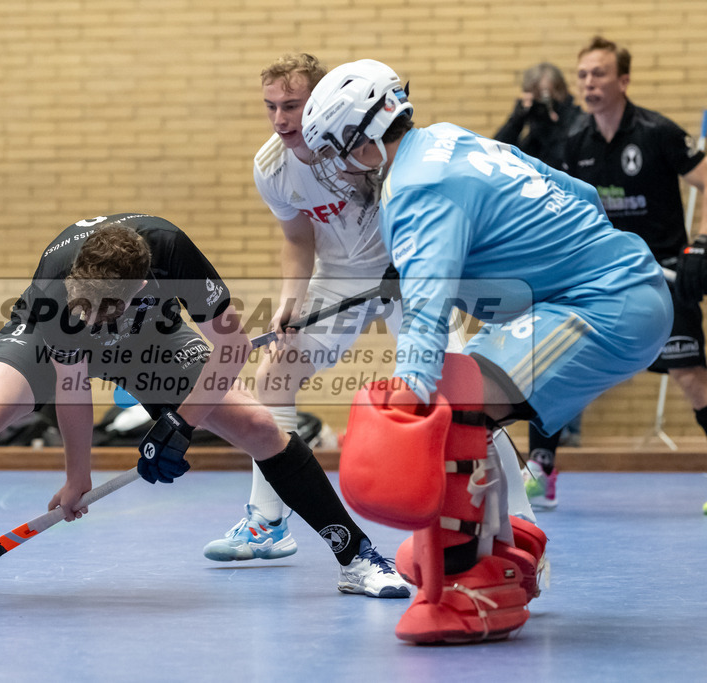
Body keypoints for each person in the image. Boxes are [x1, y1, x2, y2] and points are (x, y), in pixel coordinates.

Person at [0, 213, 412, 601]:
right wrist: (76, 477)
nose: (93, 318)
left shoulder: (172, 253)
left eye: (107, 307)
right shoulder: (58, 287)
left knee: (260, 426)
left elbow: (232, 345)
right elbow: (73, 385)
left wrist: (180, 425)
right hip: (49, 340)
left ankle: (355, 556)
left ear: (143, 283)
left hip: (150, 340)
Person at [300, 59, 671, 643]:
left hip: (604, 304)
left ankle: (471, 583)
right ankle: (500, 549)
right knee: (465, 393)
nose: (338, 169)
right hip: (611, 283)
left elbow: (427, 311)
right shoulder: (446, 139)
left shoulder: (415, 188)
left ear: (362, 143)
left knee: (451, 403)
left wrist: (411, 397)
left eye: (334, 152)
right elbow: (576, 193)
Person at [203, 53, 537, 567]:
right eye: (270, 106)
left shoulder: (369, 144)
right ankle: (267, 521)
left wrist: (416, 265)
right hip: (340, 277)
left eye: (291, 105)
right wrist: (290, 299)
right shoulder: (272, 167)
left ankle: (519, 517)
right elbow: (296, 236)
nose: (280, 119)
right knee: (275, 376)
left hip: (409, 271)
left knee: (465, 393)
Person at [556, 36, 707, 507]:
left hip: (661, 277)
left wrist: (700, 244)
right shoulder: (574, 142)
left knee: (690, 377)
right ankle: (541, 468)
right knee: (557, 364)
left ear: (622, 80)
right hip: (602, 279)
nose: (588, 83)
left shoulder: (656, 131)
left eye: (598, 74)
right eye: (582, 75)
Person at [493, 61, 585, 506]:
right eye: (536, 94)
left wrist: (557, 114)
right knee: (538, 361)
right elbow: (496, 154)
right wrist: (520, 114)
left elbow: (573, 159)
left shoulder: (577, 124)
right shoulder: (528, 130)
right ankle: (542, 461)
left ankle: (545, 457)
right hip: (535, 251)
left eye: (549, 94)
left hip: (575, 246)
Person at [493, 62, 583, 171]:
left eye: (545, 98)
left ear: (561, 90)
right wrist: (517, 119)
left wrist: (554, 124)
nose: (539, 106)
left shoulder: (579, 121)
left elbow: (561, 162)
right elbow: (496, 154)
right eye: (535, 98)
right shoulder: (534, 131)